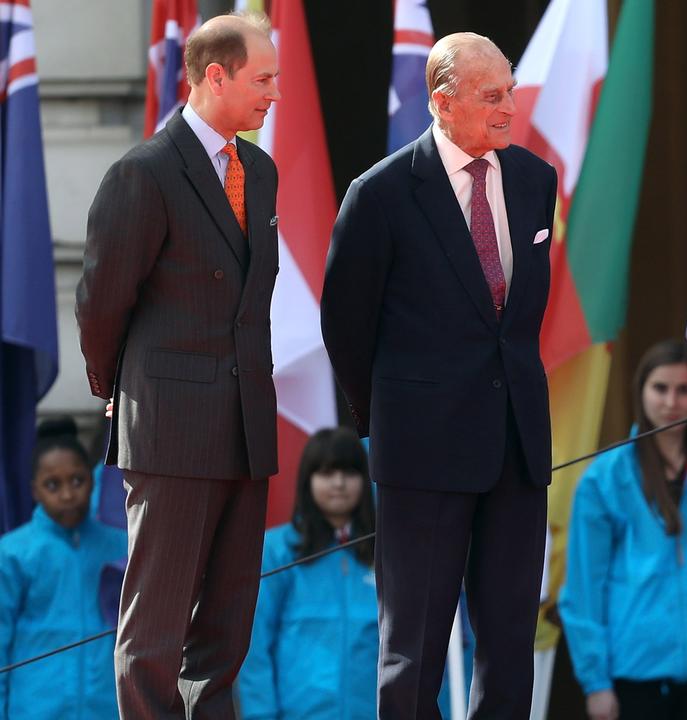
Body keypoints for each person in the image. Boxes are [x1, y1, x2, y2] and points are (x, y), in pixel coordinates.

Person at [320, 32, 557, 719]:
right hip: (422, 454)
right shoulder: (381, 194)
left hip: (517, 447)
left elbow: (516, 320)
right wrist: (396, 421)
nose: (511, 106)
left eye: (510, 90)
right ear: (442, 102)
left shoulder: (536, 181)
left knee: (510, 644)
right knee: (415, 647)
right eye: (493, 96)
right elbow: (347, 328)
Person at [74, 11, 281, 717]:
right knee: (156, 633)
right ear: (214, 77)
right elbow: (101, 305)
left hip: (245, 428)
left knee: (225, 633)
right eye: (263, 79)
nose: (274, 93)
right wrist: (119, 391)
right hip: (169, 429)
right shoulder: (145, 172)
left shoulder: (260, 170)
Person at [559, 340, 687, 720]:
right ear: (641, 390)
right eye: (660, 388)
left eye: (684, 390)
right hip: (632, 674)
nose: (671, 401)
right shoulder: (605, 477)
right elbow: (583, 589)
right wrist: (596, 682)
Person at [239, 428, 379, 720]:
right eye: (327, 473)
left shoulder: (389, 556)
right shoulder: (276, 551)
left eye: (350, 472)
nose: (339, 483)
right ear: (308, 480)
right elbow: (255, 647)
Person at [0, 418, 127, 719]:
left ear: (93, 481)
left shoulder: (121, 549)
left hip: (108, 707)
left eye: (77, 480)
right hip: (34, 708)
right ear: (34, 491)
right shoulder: (13, 553)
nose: (68, 495)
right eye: (53, 484)